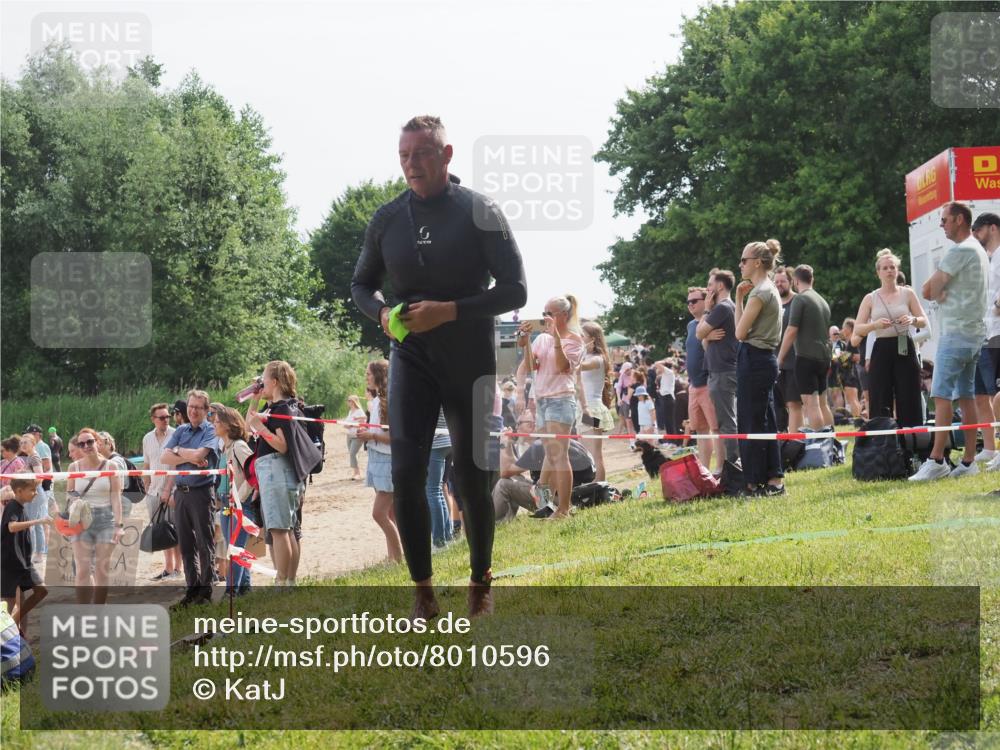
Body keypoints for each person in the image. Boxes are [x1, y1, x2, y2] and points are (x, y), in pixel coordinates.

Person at [351, 115, 526, 619]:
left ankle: (480, 583)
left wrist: (449, 310)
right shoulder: (387, 218)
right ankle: (423, 590)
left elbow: (515, 290)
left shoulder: (479, 211)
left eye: (421, 154)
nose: (411, 164)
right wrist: (382, 312)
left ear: (447, 156)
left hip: (469, 355)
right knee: (407, 472)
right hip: (412, 357)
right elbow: (361, 285)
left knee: (473, 476)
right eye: (404, 156)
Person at [911, 202, 990, 481]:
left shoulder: (961, 250)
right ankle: (968, 461)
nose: (941, 224)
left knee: (941, 396)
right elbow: (933, 291)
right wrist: (941, 292)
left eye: (944, 220)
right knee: (966, 397)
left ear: (958, 220)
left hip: (956, 333)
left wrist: (940, 292)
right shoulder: (979, 250)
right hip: (974, 334)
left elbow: (928, 289)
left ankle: (936, 459)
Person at [516, 295, 585, 519]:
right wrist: (525, 341)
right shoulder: (541, 339)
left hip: (561, 399)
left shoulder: (575, 340)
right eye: (544, 312)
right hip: (543, 400)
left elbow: (563, 366)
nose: (546, 317)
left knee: (559, 455)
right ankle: (548, 506)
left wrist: (556, 338)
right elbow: (530, 365)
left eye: (550, 313)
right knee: (550, 454)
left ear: (564, 315)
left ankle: (564, 509)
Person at [245, 362, 304, 587]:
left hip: (277, 470)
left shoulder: (281, 408)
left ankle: (283, 581)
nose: (261, 382)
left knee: (280, 530)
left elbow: (281, 445)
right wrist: (255, 396)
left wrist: (261, 428)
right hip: (278, 472)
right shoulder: (280, 406)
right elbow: (250, 421)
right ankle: (288, 581)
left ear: (275, 382)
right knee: (286, 529)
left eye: (264, 378)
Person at [853, 250, 927, 429]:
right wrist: (875, 325)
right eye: (885, 268)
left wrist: (913, 320)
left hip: (904, 344)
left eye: (892, 267)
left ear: (897, 270)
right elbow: (858, 328)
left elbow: (924, 320)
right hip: (882, 347)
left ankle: (911, 439)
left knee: (908, 394)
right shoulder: (870, 298)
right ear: (878, 272)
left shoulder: (908, 294)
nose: (889, 271)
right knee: (879, 394)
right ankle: (882, 439)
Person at [734, 239, 785, 496]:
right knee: (765, 421)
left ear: (756, 262)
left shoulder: (761, 292)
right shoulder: (768, 288)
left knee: (751, 421)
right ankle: (773, 479)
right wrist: (739, 298)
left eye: (743, 260)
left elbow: (740, 333)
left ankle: (754, 482)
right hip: (763, 358)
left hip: (755, 358)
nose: (740, 265)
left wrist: (741, 300)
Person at [160, 390, 220, 606]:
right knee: (186, 544)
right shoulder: (182, 430)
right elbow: (164, 456)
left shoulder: (211, 430)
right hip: (181, 494)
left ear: (206, 410)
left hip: (201, 493)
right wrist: (186, 453)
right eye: (191, 406)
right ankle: (192, 590)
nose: (193, 411)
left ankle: (205, 591)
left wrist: (180, 453)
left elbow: (199, 456)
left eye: (198, 407)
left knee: (205, 543)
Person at [67, 427, 125, 604]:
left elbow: (116, 496)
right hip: (82, 519)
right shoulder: (73, 467)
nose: (86, 446)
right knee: (83, 569)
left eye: (90, 441)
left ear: (97, 442)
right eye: (81, 443)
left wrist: (119, 525)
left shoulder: (111, 466)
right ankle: (83, 613)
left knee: (101, 569)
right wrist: (75, 502)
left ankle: (99, 609)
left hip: (105, 519)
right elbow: (69, 493)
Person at [494, 424, 596, 523]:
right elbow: (512, 469)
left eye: (520, 423)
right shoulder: (559, 441)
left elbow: (505, 471)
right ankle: (507, 518)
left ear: (532, 427)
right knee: (514, 476)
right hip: (580, 496)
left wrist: (503, 443)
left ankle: (496, 521)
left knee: (504, 484)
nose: (516, 428)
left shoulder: (539, 446)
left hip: (560, 501)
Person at [354, 359, 403, 564]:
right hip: (377, 458)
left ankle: (399, 558)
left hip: (387, 460)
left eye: (369, 373)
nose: (366, 377)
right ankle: (393, 556)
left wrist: (371, 436)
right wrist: (367, 432)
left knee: (379, 513)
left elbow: (395, 437)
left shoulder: (389, 401)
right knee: (390, 513)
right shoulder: (376, 402)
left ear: (379, 376)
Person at [777, 265, 833, 431]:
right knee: (823, 404)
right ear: (812, 280)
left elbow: (791, 330)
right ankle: (832, 446)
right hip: (824, 358)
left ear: (795, 281)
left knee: (811, 405)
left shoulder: (800, 299)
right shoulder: (822, 300)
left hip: (806, 358)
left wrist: (779, 359)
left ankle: (820, 446)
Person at [698, 268, 739, 467]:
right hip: (720, 371)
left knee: (727, 421)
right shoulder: (727, 307)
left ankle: (734, 465)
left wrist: (706, 309)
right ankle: (732, 463)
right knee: (725, 420)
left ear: (720, 286)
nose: (707, 288)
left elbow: (698, 333)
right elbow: (704, 342)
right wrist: (707, 336)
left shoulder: (722, 308)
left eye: (710, 284)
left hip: (723, 372)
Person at [212, 405, 254, 597]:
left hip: (240, 506)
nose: (213, 423)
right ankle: (244, 589)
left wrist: (239, 499)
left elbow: (253, 476)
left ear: (228, 425)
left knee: (235, 550)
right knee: (236, 549)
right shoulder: (224, 448)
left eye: (217, 421)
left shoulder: (239, 446)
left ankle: (232, 592)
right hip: (227, 506)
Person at [1, 478, 50, 638]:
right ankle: (6, 636)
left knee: (40, 591)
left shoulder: (22, 507)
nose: (36, 493)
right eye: (32, 490)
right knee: (8, 603)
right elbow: (11, 526)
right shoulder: (12, 507)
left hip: (23, 562)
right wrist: (38, 521)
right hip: (11, 563)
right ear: (19, 491)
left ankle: (14, 629)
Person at [972, 213, 1000, 470]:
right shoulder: (990, 260)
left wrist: (994, 305)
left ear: (992, 228)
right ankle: (990, 447)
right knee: (983, 394)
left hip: (998, 333)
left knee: (997, 395)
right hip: (987, 334)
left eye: (978, 230)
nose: (975, 235)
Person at [143, 403, 181, 581]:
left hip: (173, 490)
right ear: (153, 419)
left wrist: (168, 490)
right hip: (153, 491)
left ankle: (178, 569)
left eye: (168, 417)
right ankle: (168, 568)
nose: (166, 420)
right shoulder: (147, 438)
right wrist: (146, 486)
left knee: (176, 530)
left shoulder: (176, 434)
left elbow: (176, 464)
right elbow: (146, 463)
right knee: (161, 531)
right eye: (162, 417)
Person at [577, 321, 616, 481]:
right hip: (587, 410)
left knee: (594, 454)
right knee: (588, 453)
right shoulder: (589, 355)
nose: (579, 338)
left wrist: (579, 351)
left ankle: (600, 486)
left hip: (592, 410)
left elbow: (577, 366)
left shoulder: (598, 359)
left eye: (582, 336)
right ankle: (595, 486)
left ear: (592, 339)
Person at [685, 287, 718, 468]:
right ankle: (705, 470)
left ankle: (720, 468)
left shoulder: (712, 320)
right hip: (693, 386)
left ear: (705, 301)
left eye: (694, 301)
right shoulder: (690, 325)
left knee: (716, 428)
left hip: (707, 383)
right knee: (700, 430)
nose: (690, 305)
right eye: (688, 302)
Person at [773, 267, 802, 432]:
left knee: (793, 403)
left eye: (782, 281)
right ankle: (783, 445)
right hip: (775, 361)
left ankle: (795, 442)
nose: (779, 284)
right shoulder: (773, 303)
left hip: (793, 361)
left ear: (791, 281)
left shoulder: (797, 301)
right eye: (776, 281)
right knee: (777, 406)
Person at [425, 410, 453, 549]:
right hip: (447, 441)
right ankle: (447, 536)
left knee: (433, 491)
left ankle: (439, 541)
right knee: (439, 490)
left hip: (436, 443)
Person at [838, 319, 863, 419]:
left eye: (844, 328)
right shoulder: (849, 341)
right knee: (851, 398)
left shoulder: (853, 340)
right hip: (847, 372)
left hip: (852, 373)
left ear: (849, 328)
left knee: (853, 399)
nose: (842, 330)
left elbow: (858, 356)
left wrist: (844, 355)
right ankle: (856, 419)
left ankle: (857, 420)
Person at [344, 394, 367, 480]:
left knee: (352, 453)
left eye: (349, 400)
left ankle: (357, 473)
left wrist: (352, 425)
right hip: (349, 435)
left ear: (353, 402)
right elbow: (346, 423)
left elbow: (363, 422)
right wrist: (348, 425)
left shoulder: (359, 411)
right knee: (352, 454)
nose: (347, 402)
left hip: (357, 435)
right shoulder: (350, 412)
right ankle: (355, 472)